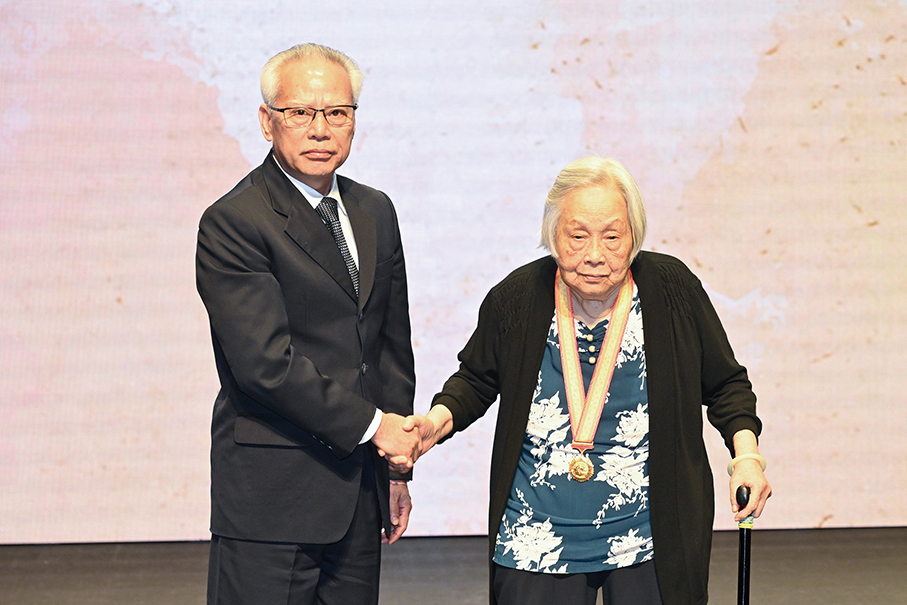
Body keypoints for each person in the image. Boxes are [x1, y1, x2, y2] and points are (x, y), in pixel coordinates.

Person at [401, 157, 771, 605]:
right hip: (535, 533)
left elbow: (725, 384)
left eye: (612, 236)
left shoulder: (672, 291)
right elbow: (476, 380)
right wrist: (434, 425)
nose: (595, 254)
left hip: (650, 535)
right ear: (553, 236)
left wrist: (746, 457)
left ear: (634, 237)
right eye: (578, 236)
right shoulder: (516, 298)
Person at [196, 43, 420, 605]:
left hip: (359, 495)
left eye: (337, 113)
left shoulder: (376, 211)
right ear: (267, 122)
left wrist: (397, 467)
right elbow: (264, 365)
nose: (320, 129)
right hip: (271, 501)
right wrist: (375, 426)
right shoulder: (234, 222)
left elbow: (389, 349)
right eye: (301, 113)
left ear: (353, 122)